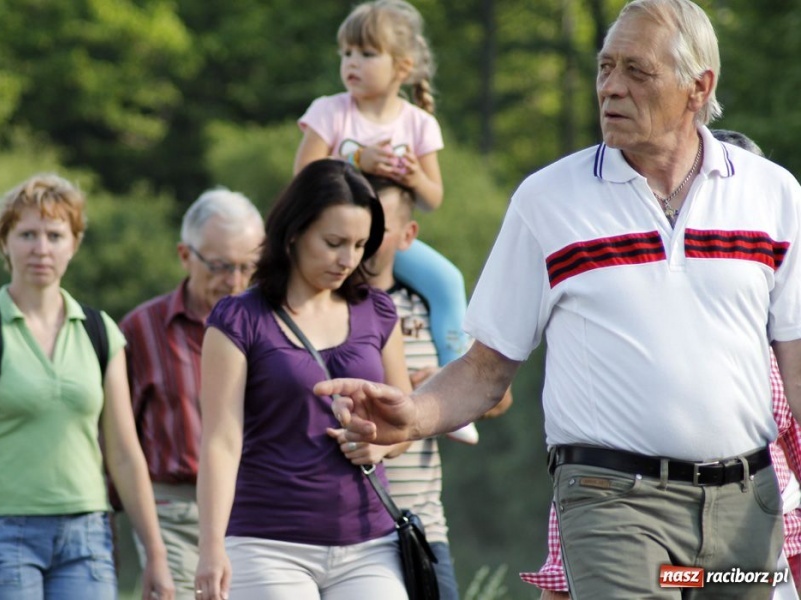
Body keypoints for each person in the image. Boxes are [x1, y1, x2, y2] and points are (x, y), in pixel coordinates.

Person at [316, 1, 801, 597]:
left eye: (636, 72)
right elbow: (486, 370)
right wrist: (412, 416)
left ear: (699, 87)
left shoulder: (773, 195)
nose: (611, 88)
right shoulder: (548, 200)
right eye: (604, 68)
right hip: (611, 501)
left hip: (746, 506)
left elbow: (795, 369)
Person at [522, 129, 801, 600]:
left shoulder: (780, 359)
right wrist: (561, 576)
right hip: (650, 540)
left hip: (767, 545)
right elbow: (590, 476)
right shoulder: (647, 356)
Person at [0, 174, 174, 599]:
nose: (41, 248)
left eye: (55, 235)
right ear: (4, 242)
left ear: (74, 243)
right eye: (27, 234)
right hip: (1, 533)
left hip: (87, 537)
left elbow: (124, 455)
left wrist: (156, 555)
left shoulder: (99, 331)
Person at [194, 159, 413, 600]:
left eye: (359, 244)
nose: (348, 259)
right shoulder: (238, 319)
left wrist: (382, 444)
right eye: (333, 242)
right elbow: (220, 441)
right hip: (265, 543)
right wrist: (211, 547)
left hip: (370, 542)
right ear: (294, 232)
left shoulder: (379, 311)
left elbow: (408, 416)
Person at [347, 175, 511, 599]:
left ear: (408, 235)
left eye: (378, 230)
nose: (364, 240)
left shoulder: (429, 308)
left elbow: (497, 396)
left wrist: (441, 389)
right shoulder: (323, 308)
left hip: (418, 525)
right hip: (341, 528)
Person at [293, 0, 470, 367]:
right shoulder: (330, 111)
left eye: (367, 53)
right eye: (346, 53)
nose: (352, 62)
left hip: (390, 243)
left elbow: (432, 198)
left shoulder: (418, 123)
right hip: (334, 242)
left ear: (401, 67)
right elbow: (303, 177)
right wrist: (355, 160)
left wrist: (414, 177)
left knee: (448, 280)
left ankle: (455, 374)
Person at [119, 187, 264, 595]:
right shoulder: (142, 330)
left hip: (259, 507)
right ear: (186, 256)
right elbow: (116, 440)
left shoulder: (275, 327)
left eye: (247, 266)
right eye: (220, 266)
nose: (234, 281)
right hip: (175, 510)